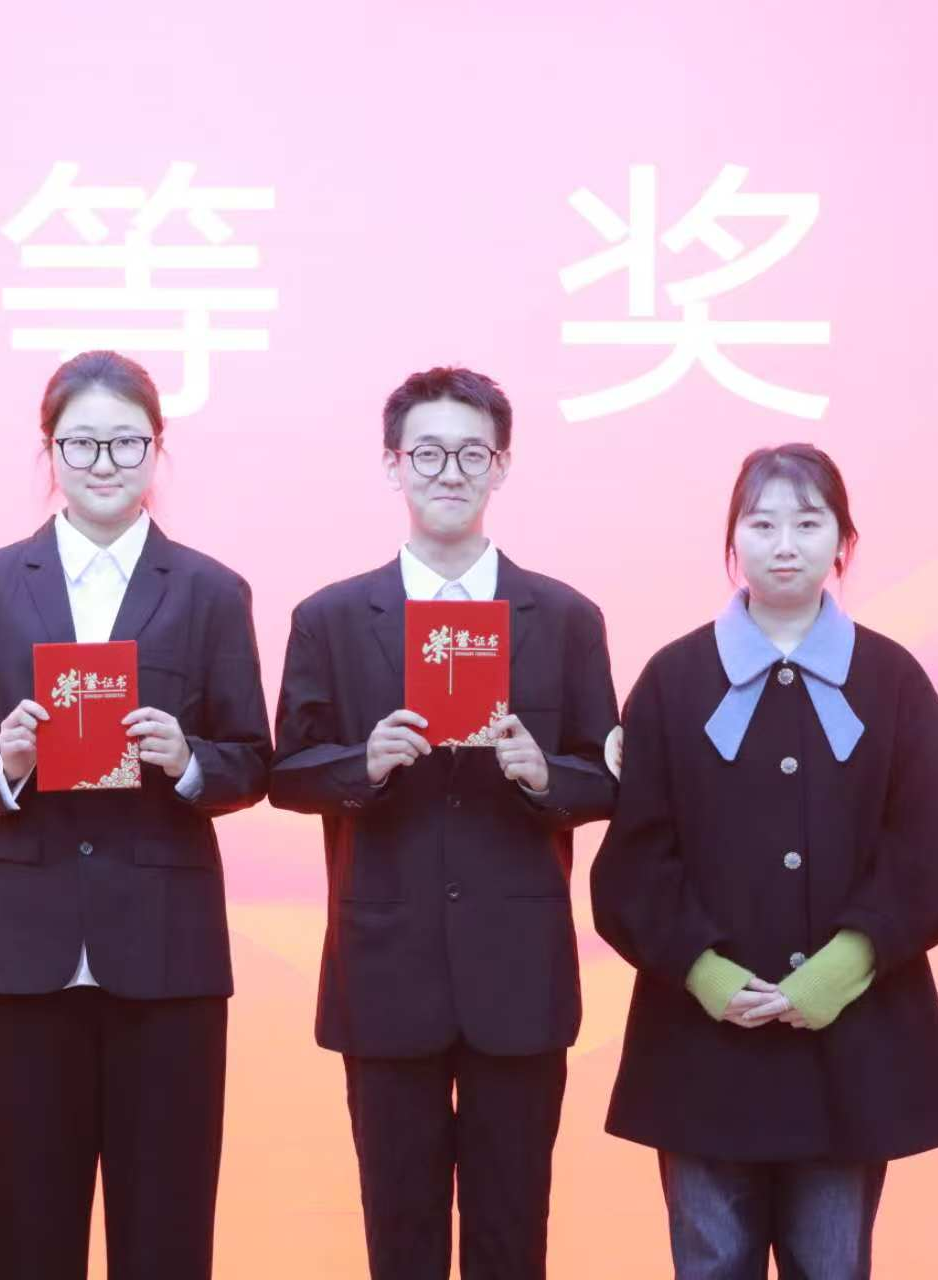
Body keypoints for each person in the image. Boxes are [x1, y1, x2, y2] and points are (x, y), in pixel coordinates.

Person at [0, 350, 272, 1280]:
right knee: (18, 1231)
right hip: (23, 955)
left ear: (158, 449)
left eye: (125, 442)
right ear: (50, 450)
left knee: (166, 1230)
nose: (104, 462)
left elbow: (252, 760)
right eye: (82, 443)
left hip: (168, 956)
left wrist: (188, 760)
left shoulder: (211, 591)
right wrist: (6, 763)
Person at [590, 443, 938, 1279]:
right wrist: (707, 975)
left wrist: (837, 972)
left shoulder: (894, 680)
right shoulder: (674, 678)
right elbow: (633, 867)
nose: (785, 544)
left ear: (843, 540)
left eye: (808, 523)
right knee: (711, 1263)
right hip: (701, 1049)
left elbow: (928, 858)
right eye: (761, 525)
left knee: (831, 1265)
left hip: (849, 1044)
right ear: (733, 540)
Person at [269, 366, 619, 1279]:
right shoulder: (331, 618)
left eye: (472, 454)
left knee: (513, 1235)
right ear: (393, 464)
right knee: (401, 1235)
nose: (449, 472)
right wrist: (363, 764)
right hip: (385, 970)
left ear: (501, 466)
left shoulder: (565, 618)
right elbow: (285, 774)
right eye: (428, 453)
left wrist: (544, 775)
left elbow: (610, 781)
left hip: (519, 974)